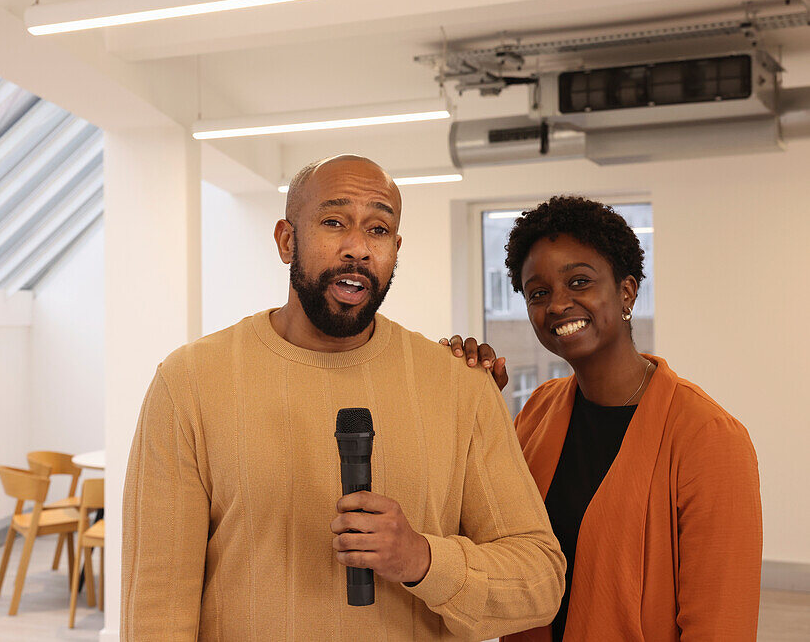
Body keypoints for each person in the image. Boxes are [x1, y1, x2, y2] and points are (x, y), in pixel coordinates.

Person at [122, 155, 565, 640]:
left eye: (378, 230)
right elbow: (156, 609)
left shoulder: (461, 385)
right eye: (334, 222)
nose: (357, 248)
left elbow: (539, 582)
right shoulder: (190, 382)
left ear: (395, 249)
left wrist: (421, 558)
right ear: (287, 240)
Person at [446, 195, 762, 641]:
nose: (557, 304)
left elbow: (721, 625)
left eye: (579, 282)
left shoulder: (708, 437)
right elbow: (484, 542)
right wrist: (466, 410)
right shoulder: (538, 410)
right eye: (538, 293)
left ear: (627, 291)